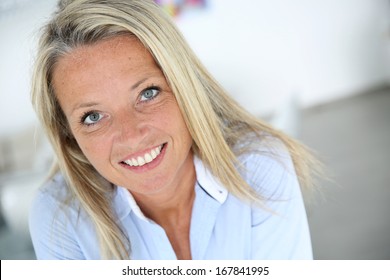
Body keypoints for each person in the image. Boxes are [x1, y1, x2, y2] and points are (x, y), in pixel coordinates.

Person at [29, 0, 321, 260]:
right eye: (93, 117)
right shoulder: (60, 219)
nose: (132, 135)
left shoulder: (260, 166)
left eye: (148, 93)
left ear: (186, 88)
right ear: (68, 134)